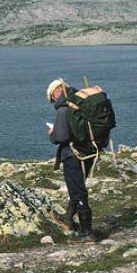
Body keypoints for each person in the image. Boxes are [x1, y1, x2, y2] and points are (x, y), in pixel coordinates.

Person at [46, 79, 98, 242]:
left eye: (53, 98)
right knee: (77, 187)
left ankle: (87, 233)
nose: (54, 101)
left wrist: (52, 133)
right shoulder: (82, 103)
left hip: (73, 155)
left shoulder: (64, 110)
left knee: (78, 191)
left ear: (57, 93)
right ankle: (68, 218)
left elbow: (60, 137)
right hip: (89, 153)